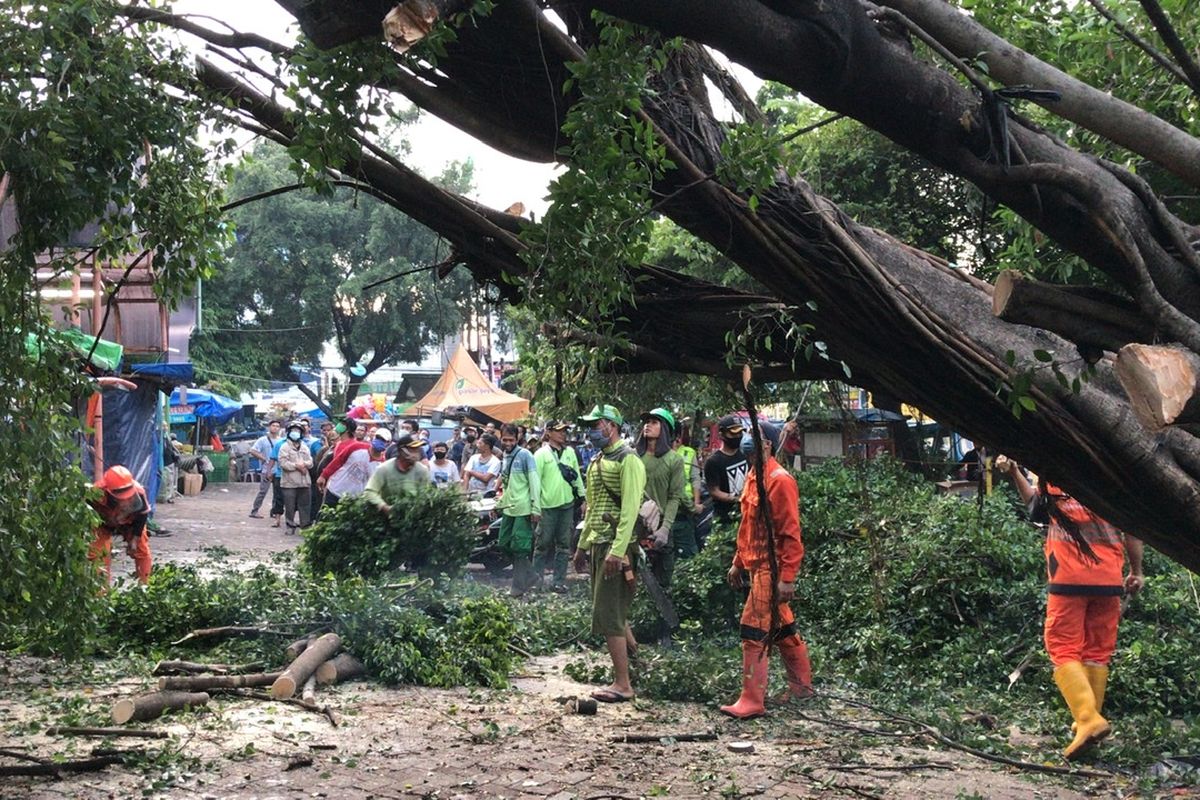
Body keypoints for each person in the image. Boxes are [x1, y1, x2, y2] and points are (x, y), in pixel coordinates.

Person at [995, 455, 1145, 760]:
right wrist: (1137, 570)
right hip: (1108, 579)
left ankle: (1088, 719)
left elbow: (1037, 512)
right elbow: (1133, 530)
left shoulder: (1054, 474)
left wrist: (1014, 474)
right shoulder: (1114, 481)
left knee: (1063, 648)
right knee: (1097, 652)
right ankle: (1085, 726)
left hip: (1069, 578)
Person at [719, 420, 813, 719]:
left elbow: (790, 534)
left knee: (753, 629)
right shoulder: (753, 475)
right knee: (783, 630)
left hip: (771, 570)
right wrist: (738, 561)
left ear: (768, 444)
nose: (747, 440)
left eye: (754, 436)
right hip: (756, 565)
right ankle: (802, 689)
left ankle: (752, 699)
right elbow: (749, 526)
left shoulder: (779, 480)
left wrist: (786, 578)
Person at [572, 404, 646, 703]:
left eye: (596, 423)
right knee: (612, 609)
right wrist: (582, 547)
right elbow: (591, 510)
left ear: (612, 426)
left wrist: (617, 550)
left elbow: (629, 510)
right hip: (599, 543)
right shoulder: (597, 460)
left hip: (618, 546)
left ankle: (623, 684)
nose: (591, 430)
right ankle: (636, 665)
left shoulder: (629, 460)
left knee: (609, 613)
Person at [637, 407, 684, 600]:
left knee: (662, 584)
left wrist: (665, 529)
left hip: (661, 528)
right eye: (646, 421)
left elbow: (674, 497)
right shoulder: (634, 457)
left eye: (654, 422)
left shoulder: (674, 460)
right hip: (637, 526)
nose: (647, 425)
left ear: (664, 428)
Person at [533, 421, 586, 592]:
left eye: (565, 431)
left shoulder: (570, 452)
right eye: (559, 431)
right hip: (547, 506)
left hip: (567, 504)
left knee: (564, 544)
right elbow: (535, 482)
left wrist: (583, 498)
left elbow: (576, 475)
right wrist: (536, 506)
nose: (563, 434)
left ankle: (558, 581)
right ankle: (537, 579)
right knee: (542, 543)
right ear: (548, 432)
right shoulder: (540, 454)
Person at [88, 465, 153, 585]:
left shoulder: (139, 492)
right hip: (102, 524)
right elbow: (87, 515)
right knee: (98, 554)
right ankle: (100, 593)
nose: (125, 499)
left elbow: (142, 515)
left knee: (141, 549)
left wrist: (135, 538)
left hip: (130, 522)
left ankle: (145, 587)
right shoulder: (95, 493)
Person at [496, 423, 541, 596]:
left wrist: (536, 508)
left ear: (518, 439)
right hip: (508, 507)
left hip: (523, 508)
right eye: (505, 439)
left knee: (520, 549)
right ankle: (531, 576)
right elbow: (506, 484)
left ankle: (517, 587)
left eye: (511, 440)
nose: (507, 443)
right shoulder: (504, 456)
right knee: (504, 544)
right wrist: (499, 504)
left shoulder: (525, 455)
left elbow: (534, 482)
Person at [362, 433, 432, 512]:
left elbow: (424, 495)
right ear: (401, 450)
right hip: (387, 517)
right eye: (412, 449)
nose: (417, 452)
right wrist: (384, 507)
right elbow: (370, 491)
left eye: (418, 449)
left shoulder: (422, 471)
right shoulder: (384, 469)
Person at [318, 420, 372, 512]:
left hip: (345, 489)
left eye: (342, 424)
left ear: (347, 430)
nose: (338, 426)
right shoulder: (339, 444)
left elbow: (337, 463)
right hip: (334, 484)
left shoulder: (353, 446)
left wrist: (324, 475)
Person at [705, 415, 750, 521]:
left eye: (740, 433)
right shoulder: (713, 461)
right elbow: (714, 491)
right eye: (733, 433)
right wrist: (737, 498)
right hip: (725, 518)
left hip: (746, 513)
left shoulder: (745, 454)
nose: (738, 436)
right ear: (721, 434)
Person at [672, 422, 704, 558]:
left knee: (688, 549)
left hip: (686, 507)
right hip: (669, 507)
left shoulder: (688, 453)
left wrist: (696, 504)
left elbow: (695, 478)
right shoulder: (659, 454)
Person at [278, 421, 314, 535]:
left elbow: (310, 462)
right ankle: (290, 525)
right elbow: (283, 463)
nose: (295, 433)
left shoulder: (304, 447)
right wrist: (296, 466)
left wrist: (304, 464)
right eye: (293, 431)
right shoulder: (284, 447)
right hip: (289, 483)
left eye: (298, 431)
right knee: (290, 506)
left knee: (305, 505)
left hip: (304, 482)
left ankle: (305, 526)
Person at [249, 419, 281, 518]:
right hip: (266, 470)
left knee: (277, 493)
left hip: (278, 470)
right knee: (263, 491)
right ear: (269, 427)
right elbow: (253, 450)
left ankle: (274, 511)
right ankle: (254, 511)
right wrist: (263, 458)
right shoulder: (263, 440)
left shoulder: (281, 440)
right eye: (273, 425)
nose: (275, 428)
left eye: (277, 426)